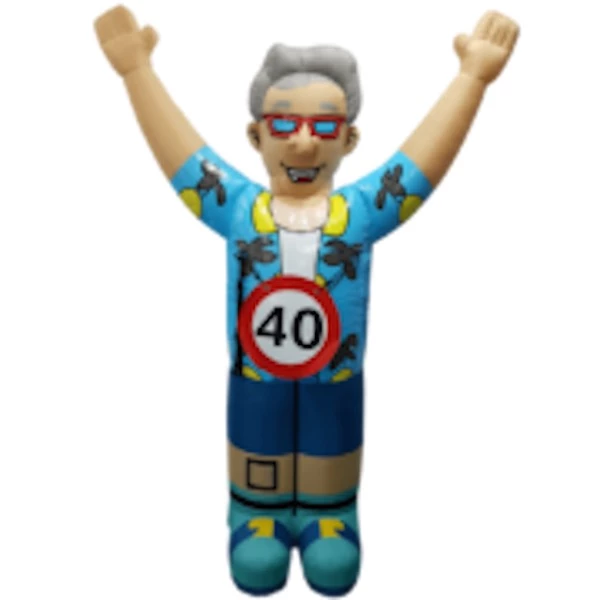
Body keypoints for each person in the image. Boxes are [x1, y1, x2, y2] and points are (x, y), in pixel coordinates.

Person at [95, 6, 519, 596]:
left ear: (348, 139)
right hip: (256, 375)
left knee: (331, 444)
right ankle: (255, 512)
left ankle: (332, 513)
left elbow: (418, 168)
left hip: (335, 374)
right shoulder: (240, 210)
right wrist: (136, 70)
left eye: (323, 127)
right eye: (283, 124)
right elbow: (185, 161)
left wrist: (471, 79)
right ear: (256, 136)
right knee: (257, 437)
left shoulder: (359, 214)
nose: (301, 142)